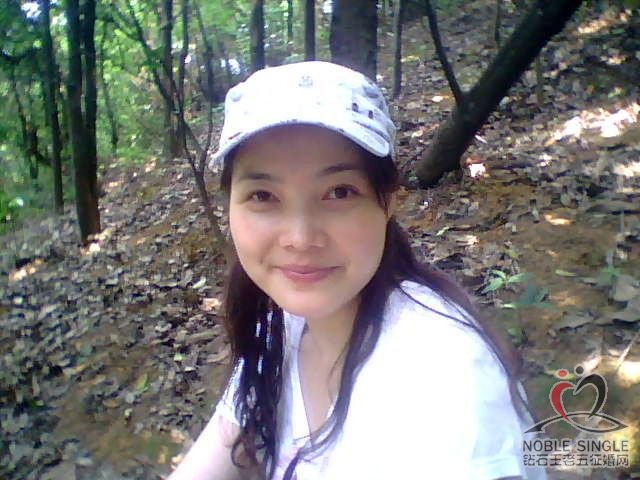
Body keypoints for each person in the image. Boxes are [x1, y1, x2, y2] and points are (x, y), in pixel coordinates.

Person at [168, 61, 547, 480]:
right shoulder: (280, 324)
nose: (300, 238)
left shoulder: (446, 380)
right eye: (262, 195)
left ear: (388, 201)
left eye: (339, 192)